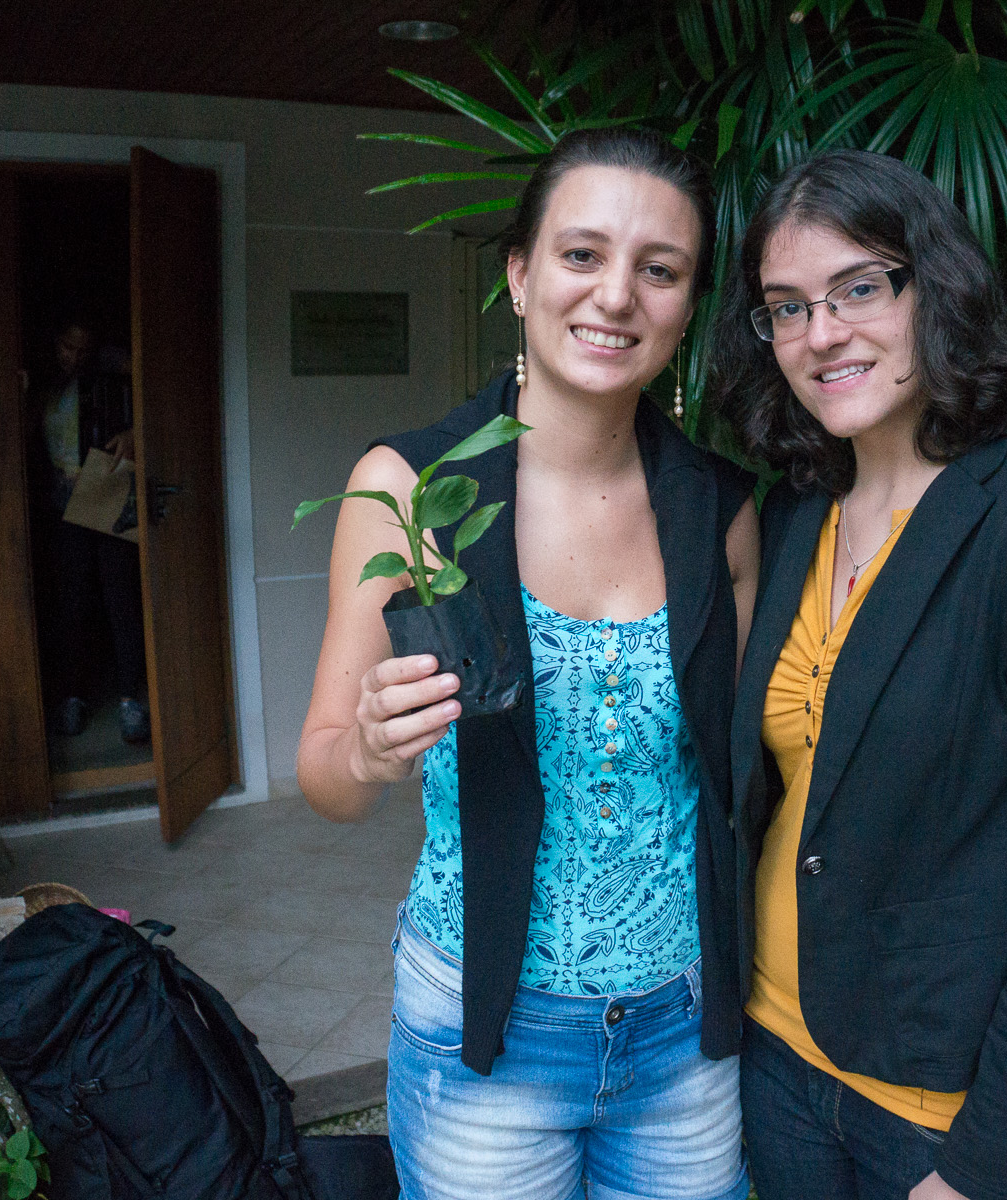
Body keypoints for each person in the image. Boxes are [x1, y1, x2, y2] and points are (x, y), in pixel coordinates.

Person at [296, 129, 759, 1200]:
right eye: (581, 254)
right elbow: (325, 777)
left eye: (659, 270)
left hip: (687, 1038)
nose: (616, 295)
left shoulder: (721, 512)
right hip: (483, 1034)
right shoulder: (411, 489)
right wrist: (367, 750)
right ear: (518, 275)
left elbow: (743, 781)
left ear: (689, 306)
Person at [712, 150, 1007, 1200]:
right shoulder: (793, 514)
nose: (822, 333)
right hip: (776, 1062)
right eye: (788, 307)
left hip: (941, 1116)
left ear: (937, 288)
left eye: (859, 288)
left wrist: (991, 1160)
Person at [25, 317, 150, 744]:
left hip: (106, 491)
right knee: (71, 602)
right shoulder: (42, 379)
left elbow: (154, 380)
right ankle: (72, 696)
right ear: (54, 342)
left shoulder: (108, 366)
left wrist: (136, 431)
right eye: (67, 347)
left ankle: (130, 699)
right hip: (60, 504)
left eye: (82, 349)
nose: (74, 357)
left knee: (122, 597)